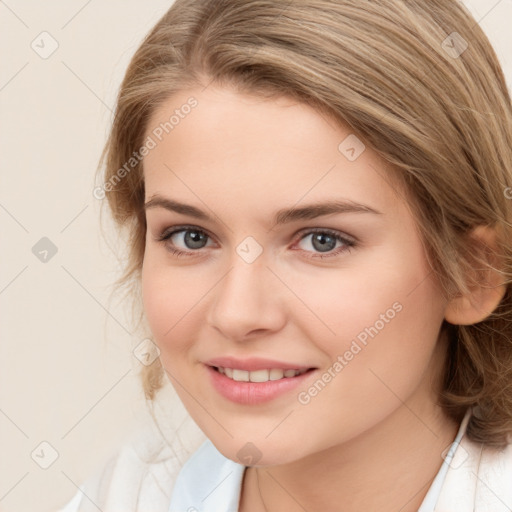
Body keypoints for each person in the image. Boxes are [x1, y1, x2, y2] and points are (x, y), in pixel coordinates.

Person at [60, 0, 512, 510]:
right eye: (190, 236)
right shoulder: (122, 496)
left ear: (474, 272)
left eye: (322, 240)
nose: (237, 314)